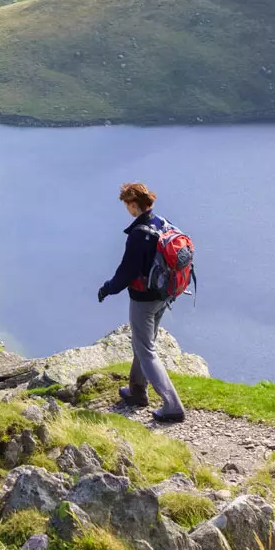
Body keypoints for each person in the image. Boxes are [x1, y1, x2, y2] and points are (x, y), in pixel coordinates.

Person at [98, 182, 186, 424]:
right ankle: (137, 391)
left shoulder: (139, 234)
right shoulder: (162, 223)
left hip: (144, 301)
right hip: (163, 295)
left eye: (127, 204)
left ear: (133, 205)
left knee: (146, 350)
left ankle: (173, 406)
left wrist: (107, 288)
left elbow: (127, 271)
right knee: (143, 343)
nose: (126, 208)